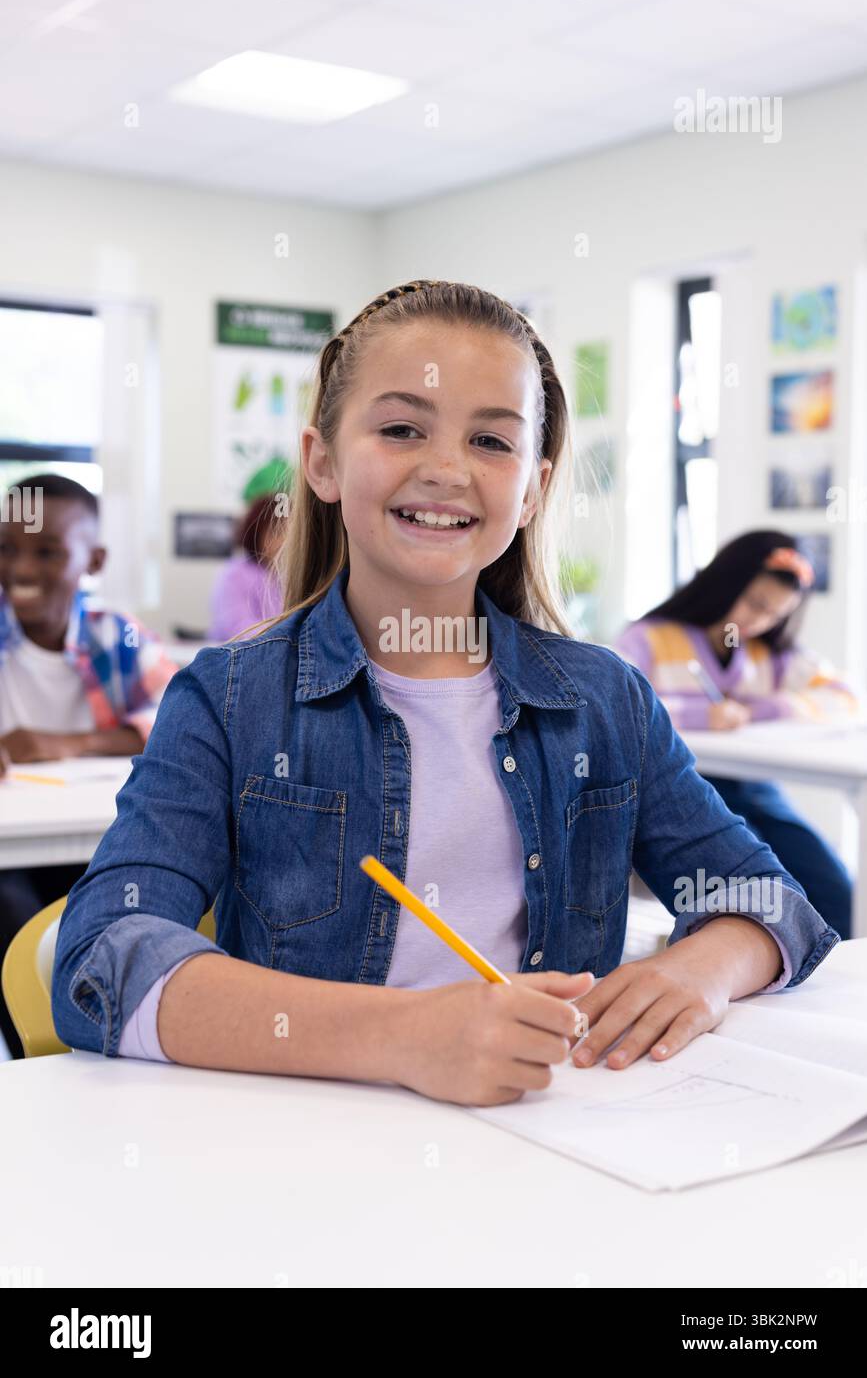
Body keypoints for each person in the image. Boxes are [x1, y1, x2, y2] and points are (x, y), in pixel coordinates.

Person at [53, 283, 838, 1106]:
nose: (446, 469)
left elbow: (765, 899)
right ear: (321, 462)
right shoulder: (229, 698)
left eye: (491, 441)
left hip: (556, 1134)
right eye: (401, 429)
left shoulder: (606, 700)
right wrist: (402, 1036)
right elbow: (102, 957)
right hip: (310, 1139)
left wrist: (701, 969)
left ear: (531, 491)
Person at [0, 473, 177, 1058]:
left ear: (93, 560)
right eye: (6, 548)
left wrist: (62, 743)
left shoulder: (115, 637)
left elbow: (173, 720)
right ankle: (40, 1053)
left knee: (117, 913)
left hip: (91, 841)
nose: (22, 568)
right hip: (10, 849)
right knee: (14, 918)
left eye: (47, 551)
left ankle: (103, 1053)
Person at [614, 530, 859, 940]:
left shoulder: (767, 654)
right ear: (725, 583)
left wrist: (762, 708)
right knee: (758, 901)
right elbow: (616, 703)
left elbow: (845, 696)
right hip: (683, 789)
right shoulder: (650, 638)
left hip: (757, 789)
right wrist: (701, 714)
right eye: (756, 603)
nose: (759, 621)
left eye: (775, 614)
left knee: (837, 895)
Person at [208, 494, 284, 642]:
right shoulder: (234, 575)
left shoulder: (285, 575)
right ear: (255, 533)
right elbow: (238, 629)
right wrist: (287, 635)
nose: (284, 540)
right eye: (276, 533)